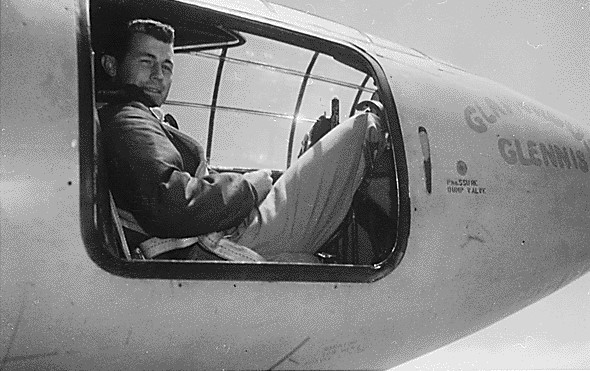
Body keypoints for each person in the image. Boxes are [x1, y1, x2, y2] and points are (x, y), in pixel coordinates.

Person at [99, 19, 384, 262]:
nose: (158, 75)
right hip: (225, 240)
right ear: (111, 65)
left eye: (167, 66)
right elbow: (171, 202)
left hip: (221, 234)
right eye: (146, 61)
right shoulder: (128, 117)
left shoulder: (134, 119)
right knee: (361, 128)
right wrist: (250, 187)